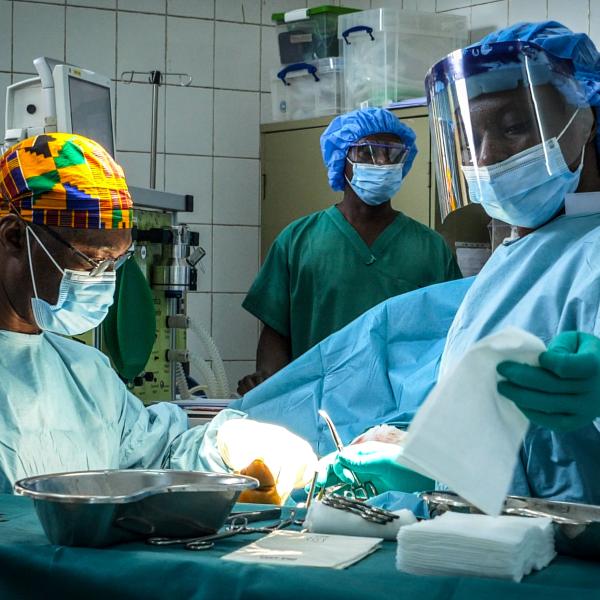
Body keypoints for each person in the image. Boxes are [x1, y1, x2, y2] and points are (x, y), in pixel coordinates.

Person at [232, 22, 600, 505]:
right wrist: (423, 456)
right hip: (494, 536)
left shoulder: (586, 250)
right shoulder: (520, 254)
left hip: (569, 549)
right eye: (471, 138)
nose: (486, 158)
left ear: (587, 117)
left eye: (514, 127)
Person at [0, 132, 316, 498]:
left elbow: (154, 457)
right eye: (92, 260)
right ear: (12, 238)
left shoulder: (84, 372)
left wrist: (227, 446)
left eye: (115, 262)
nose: (104, 281)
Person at [238, 108, 462, 394]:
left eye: (392, 153)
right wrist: (271, 390)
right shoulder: (297, 241)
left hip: (399, 410)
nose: (382, 162)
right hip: (314, 406)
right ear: (340, 159)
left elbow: (450, 335)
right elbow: (276, 332)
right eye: (367, 152)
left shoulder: (430, 248)